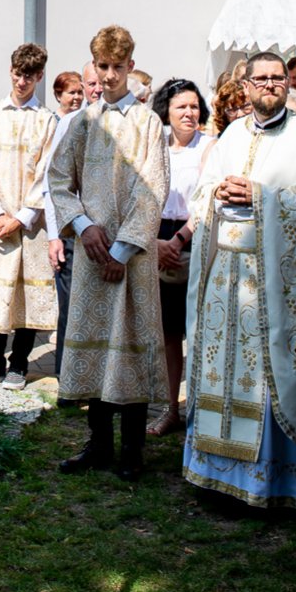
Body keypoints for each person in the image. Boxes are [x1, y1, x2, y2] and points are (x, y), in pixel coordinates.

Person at [183, 50, 296, 507]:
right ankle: (215, 472)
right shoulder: (228, 135)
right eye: (261, 79)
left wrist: (262, 197)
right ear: (244, 88)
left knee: (268, 377)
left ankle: (270, 481)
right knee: (220, 372)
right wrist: (217, 193)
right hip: (225, 277)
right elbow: (201, 191)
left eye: (278, 78)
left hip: (275, 285)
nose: (271, 85)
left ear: (288, 85)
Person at [49, 24, 169, 480]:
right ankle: (97, 443)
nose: (112, 75)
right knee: (96, 348)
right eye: (103, 67)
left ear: (131, 66)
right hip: (90, 254)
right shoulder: (83, 122)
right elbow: (59, 180)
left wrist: (121, 247)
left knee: (129, 347)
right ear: (93, 67)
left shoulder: (147, 122)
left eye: (119, 67)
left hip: (131, 258)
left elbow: (153, 187)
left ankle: (133, 451)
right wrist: (82, 225)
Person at [0, 44, 58, 387]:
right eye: (18, 74)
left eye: (30, 76)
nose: (22, 82)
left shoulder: (46, 120)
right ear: (11, 71)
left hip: (30, 223)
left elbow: (47, 173)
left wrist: (20, 218)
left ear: (39, 77)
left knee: (26, 294)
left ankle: (19, 362)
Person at [149, 78, 211, 436]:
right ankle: (170, 408)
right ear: (166, 112)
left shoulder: (209, 146)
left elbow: (207, 198)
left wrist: (180, 239)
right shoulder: (156, 146)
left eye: (193, 106)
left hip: (194, 239)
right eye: (181, 107)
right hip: (159, 243)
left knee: (199, 330)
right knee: (168, 334)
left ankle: (202, 410)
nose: (189, 113)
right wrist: (158, 243)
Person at [46, 72, 85, 380]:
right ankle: (66, 377)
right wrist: (55, 234)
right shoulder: (67, 124)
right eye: (87, 86)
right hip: (72, 230)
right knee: (70, 307)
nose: (86, 93)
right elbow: (54, 184)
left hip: (104, 233)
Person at [209, 71, 249, 136]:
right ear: (224, 115)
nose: (240, 114)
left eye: (244, 107)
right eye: (233, 109)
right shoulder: (223, 141)